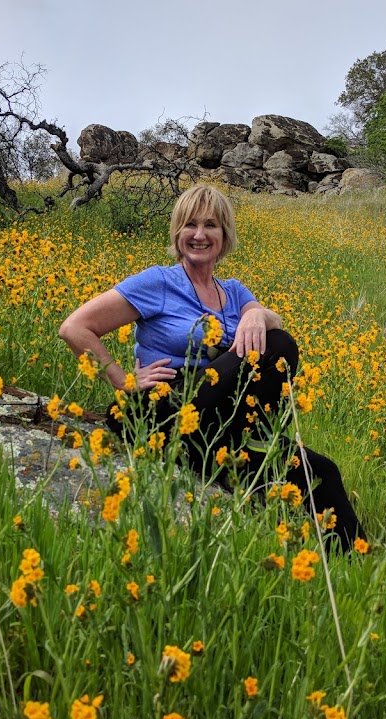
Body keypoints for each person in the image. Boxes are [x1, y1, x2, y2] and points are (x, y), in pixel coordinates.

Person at [58, 184, 365, 551]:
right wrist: (122, 379)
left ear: (225, 235)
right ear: (177, 233)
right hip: (164, 407)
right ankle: (239, 451)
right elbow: (74, 327)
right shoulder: (159, 282)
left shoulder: (234, 292)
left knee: (323, 470)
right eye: (190, 225)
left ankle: (350, 560)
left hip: (217, 421)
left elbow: (274, 318)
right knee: (278, 342)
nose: (199, 235)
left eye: (211, 226)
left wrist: (255, 314)